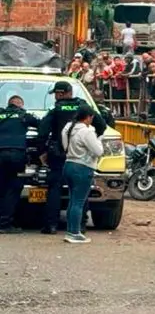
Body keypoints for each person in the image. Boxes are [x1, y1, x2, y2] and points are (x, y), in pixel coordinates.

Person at [38, 80, 107, 235]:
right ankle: (80, 225)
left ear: (64, 93)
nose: (56, 96)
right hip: (81, 156)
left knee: (54, 189)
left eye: (58, 93)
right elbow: (102, 125)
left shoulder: (55, 109)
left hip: (59, 154)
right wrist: (90, 139)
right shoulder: (83, 107)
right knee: (79, 193)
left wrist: (42, 151)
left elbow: (42, 131)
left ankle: (51, 225)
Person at [60, 105, 103, 244]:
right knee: (78, 202)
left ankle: (71, 230)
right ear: (88, 117)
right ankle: (74, 232)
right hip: (82, 167)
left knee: (73, 200)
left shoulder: (68, 128)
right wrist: (99, 140)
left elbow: (65, 146)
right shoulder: (86, 132)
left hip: (68, 164)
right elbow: (98, 151)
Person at [0, 95, 39, 234]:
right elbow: (40, 124)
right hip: (16, 155)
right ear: (20, 105)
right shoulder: (24, 115)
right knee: (13, 188)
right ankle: (5, 224)